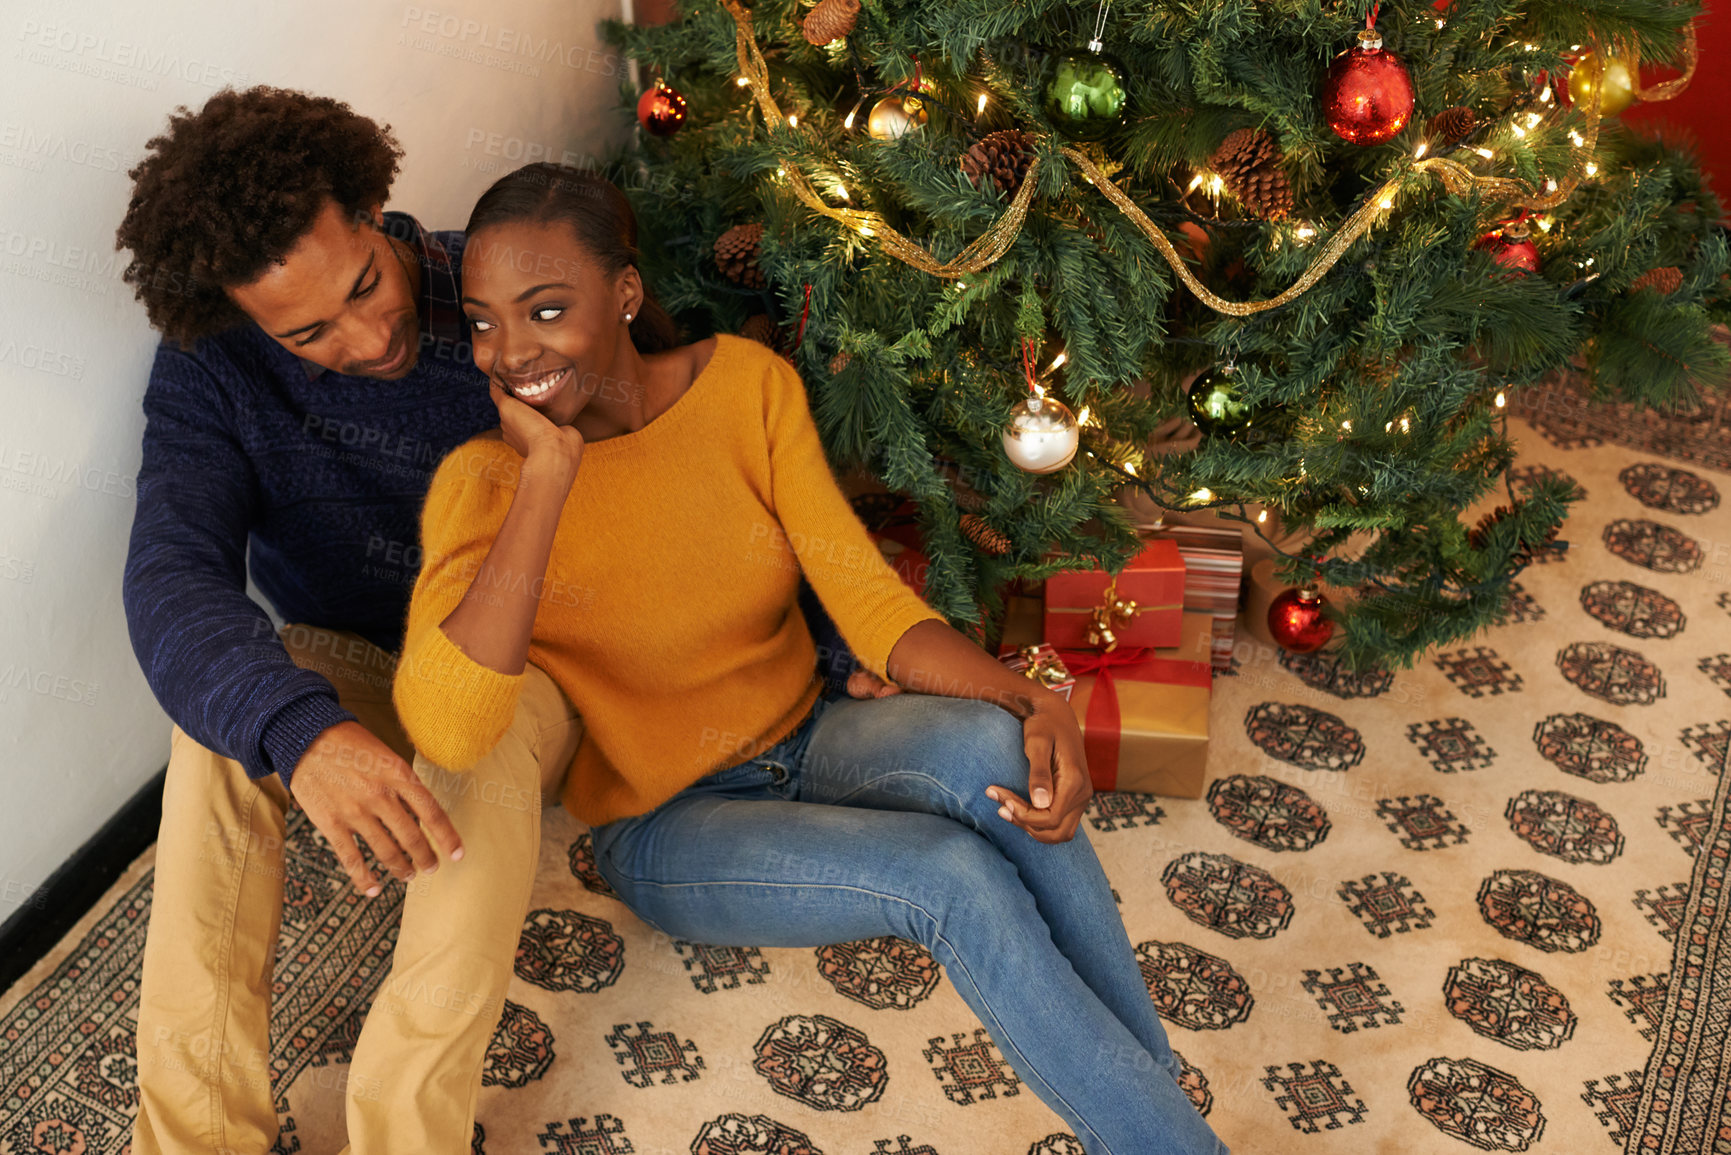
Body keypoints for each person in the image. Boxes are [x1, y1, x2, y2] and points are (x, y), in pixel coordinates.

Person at [392, 161, 1229, 1155]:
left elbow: (870, 603)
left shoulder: (746, 388)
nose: (510, 353)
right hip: (669, 823)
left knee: (1000, 752)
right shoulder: (482, 484)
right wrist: (546, 482)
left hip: (816, 735)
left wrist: (1030, 701)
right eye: (485, 322)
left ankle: (1150, 1114)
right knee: (953, 877)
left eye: (545, 310)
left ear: (623, 294)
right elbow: (447, 725)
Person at [115, 87, 879, 1154]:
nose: (369, 333)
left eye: (368, 286)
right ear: (245, 321)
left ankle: (406, 1135)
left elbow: (699, 451)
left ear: (380, 215)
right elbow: (170, 577)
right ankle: (195, 1140)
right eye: (308, 332)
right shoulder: (210, 371)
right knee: (218, 725)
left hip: (543, 668)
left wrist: (843, 639)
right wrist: (303, 731)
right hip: (369, 663)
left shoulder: (508, 290)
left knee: (482, 717)